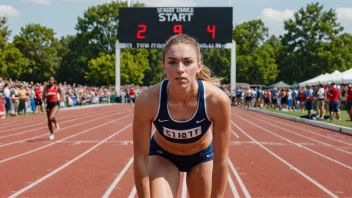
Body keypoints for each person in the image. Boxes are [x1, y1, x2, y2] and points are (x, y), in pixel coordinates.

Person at [133, 34, 231, 198]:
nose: (180, 69)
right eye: (172, 62)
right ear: (164, 66)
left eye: (187, 62)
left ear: (199, 66)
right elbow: (140, 158)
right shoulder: (148, 100)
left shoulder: (217, 100)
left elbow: (221, 160)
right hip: (163, 156)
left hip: (202, 157)